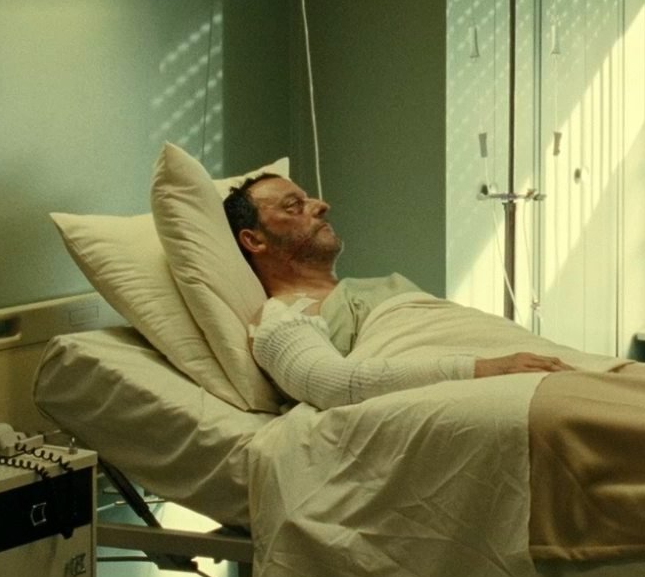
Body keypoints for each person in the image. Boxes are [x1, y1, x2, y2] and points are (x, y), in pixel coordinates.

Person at [224, 174, 569, 408]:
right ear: (254, 240)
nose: (321, 205)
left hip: (544, 362)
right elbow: (330, 384)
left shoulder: (374, 289)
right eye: (293, 206)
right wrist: (486, 368)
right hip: (504, 384)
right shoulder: (283, 314)